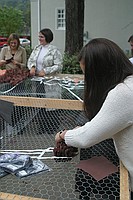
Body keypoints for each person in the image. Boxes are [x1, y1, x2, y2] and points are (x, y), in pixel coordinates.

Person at [55, 38, 133, 198]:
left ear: (101, 72)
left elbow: (86, 138)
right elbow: (114, 122)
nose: (86, 80)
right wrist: (83, 129)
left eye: (87, 75)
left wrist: (63, 135)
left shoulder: (123, 92)